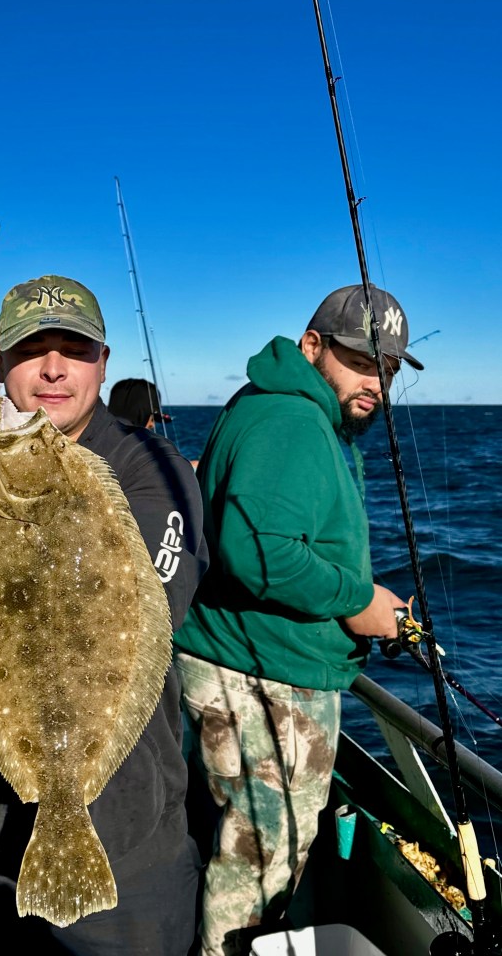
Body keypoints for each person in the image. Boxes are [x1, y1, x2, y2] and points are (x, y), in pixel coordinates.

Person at [0, 274, 209, 955]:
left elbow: (159, 601)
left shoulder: (154, 467)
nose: (55, 367)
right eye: (34, 349)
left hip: (127, 848)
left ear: (103, 363)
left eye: (75, 348)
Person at [173, 283, 423, 956]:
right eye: (361, 361)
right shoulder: (291, 418)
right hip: (262, 684)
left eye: (389, 368)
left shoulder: (284, 409)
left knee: (238, 850)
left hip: (250, 673)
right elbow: (259, 551)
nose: (377, 381)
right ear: (312, 346)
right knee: (257, 872)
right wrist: (360, 601)